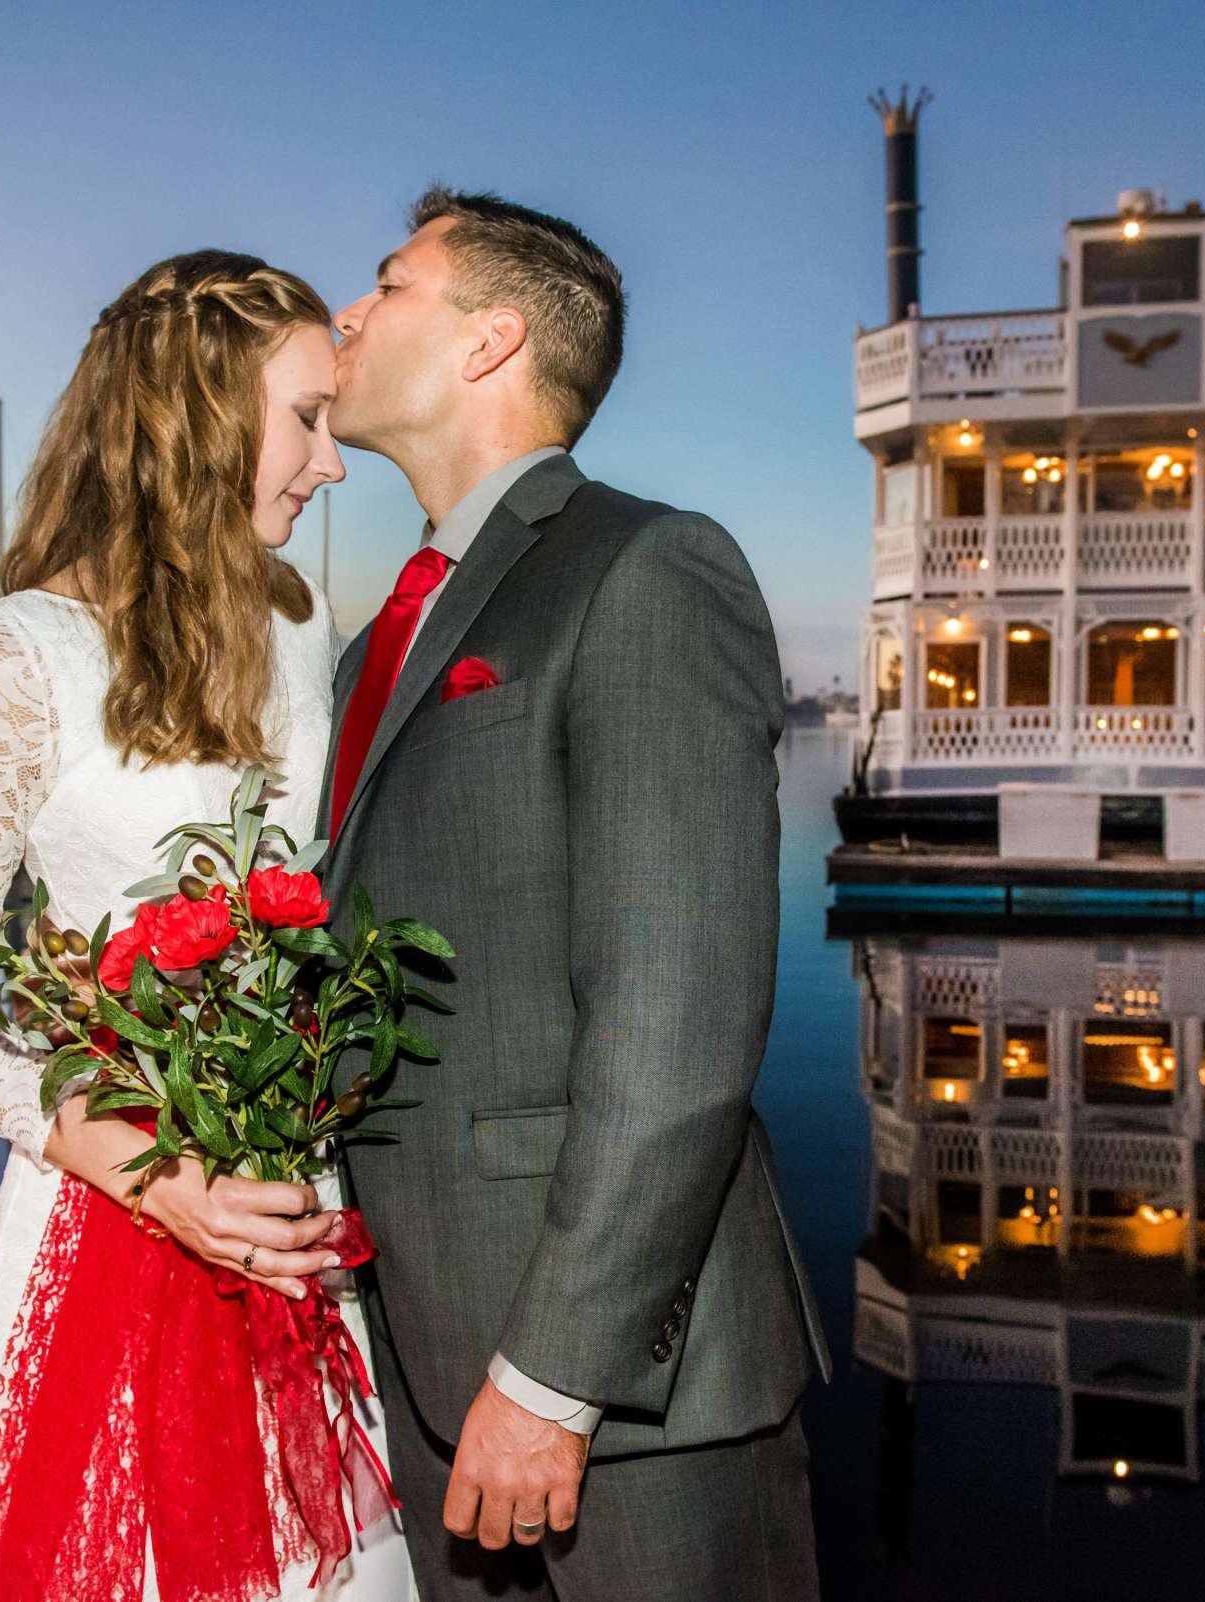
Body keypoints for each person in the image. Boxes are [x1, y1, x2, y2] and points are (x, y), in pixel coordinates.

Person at [319, 188, 827, 1602]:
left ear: (492, 338)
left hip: (620, 1401)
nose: (347, 314)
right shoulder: (376, 645)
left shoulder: (646, 567)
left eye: (390, 285)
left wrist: (554, 1375)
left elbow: (678, 1012)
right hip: (414, 1363)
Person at [0, 251, 412, 1601]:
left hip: (291, 1201)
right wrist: (152, 1170)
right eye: (306, 418)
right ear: (196, 416)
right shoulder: (14, 657)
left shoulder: (304, 623)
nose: (333, 463)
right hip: (110, 1208)